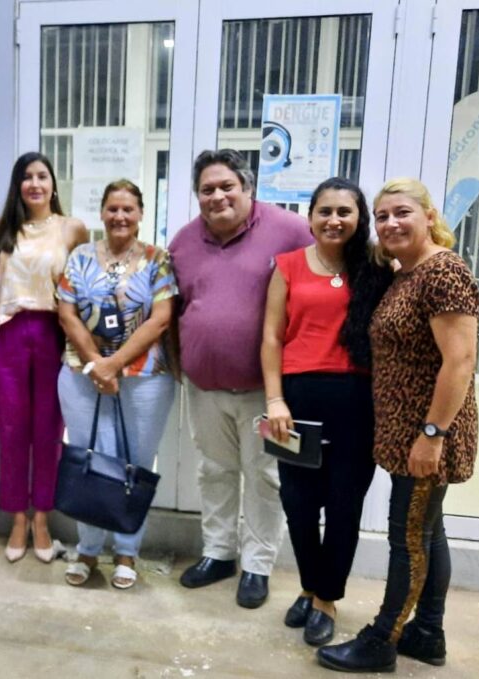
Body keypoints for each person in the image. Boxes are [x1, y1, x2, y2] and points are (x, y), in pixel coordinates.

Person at [317, 178, 479, 673]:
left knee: (407, 538)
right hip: (408, 431)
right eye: (383, 216)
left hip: (427, 433)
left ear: (429, 216)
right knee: (428, 530)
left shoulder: (443, 272)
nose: (391, 224)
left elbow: (460, 361)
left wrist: (432, 435)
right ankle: (427, 632)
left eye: (403, 213)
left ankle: (382, 639)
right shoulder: (407, 272)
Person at [169, 149, 312, 608]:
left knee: (266, 476)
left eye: (227, 186)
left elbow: (330, 272)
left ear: (248, 188)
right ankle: (218, 553)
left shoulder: (291, 230)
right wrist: (180, 363)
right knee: (214, 472)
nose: (217, 196)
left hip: (266, 392)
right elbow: (174, 309)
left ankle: (257, 565)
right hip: (204, 387)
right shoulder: (183, 242)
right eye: (207, 189)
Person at [260, 178, 393, 645]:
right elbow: (272, 337)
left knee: (342, 507)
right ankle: (309, 585)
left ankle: (325, 599)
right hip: (295, 403)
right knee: (297, 505)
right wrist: (274, 399)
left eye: (344, 212)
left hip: (358, 403)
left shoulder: (377, 266)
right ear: (310, 217)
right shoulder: (288, 266)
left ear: (359, 218)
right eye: (325, 211)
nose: (334, 220)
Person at [56, 180, 177, 589]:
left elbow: (161, 319)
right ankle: (88, 549)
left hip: (144, 377)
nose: (120, 216)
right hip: (81, 374)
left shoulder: (158, 259)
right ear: (102, 212)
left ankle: (127, 551)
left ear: (141, 213)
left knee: (134, 463)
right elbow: (67, 313)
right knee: (89, 457)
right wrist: (97, 364)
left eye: (128, 209)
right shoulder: (80, 256)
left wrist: (114, 364)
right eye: (112, 209)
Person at [0, 152, 88, 563]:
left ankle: (42, 519)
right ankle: (17, 519)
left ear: (53, 184)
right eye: (26, 177)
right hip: (8, 334)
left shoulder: (72, 228)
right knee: (11, 428)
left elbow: (82, 284)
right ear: (18, 185)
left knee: (48, 429)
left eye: (42, 176)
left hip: (52, 332)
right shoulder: (3, 226)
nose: (34, 184)